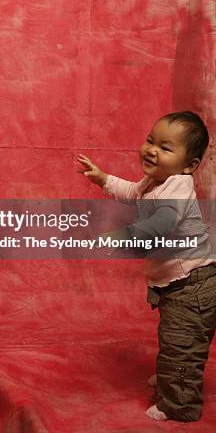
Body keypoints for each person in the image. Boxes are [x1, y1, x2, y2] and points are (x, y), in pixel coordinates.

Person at [76, 111, 216, 422]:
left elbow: (162, 223)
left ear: (189, 165)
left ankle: (178, 404)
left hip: (192, 284)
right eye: (150, 141)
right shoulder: (155, 181)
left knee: (181, 344)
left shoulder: (179, 186)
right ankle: (173, 377)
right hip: (179, 283)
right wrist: (104, 179)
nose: (151, 149)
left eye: (166, 148)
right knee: (179, 339)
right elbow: (131, 193)